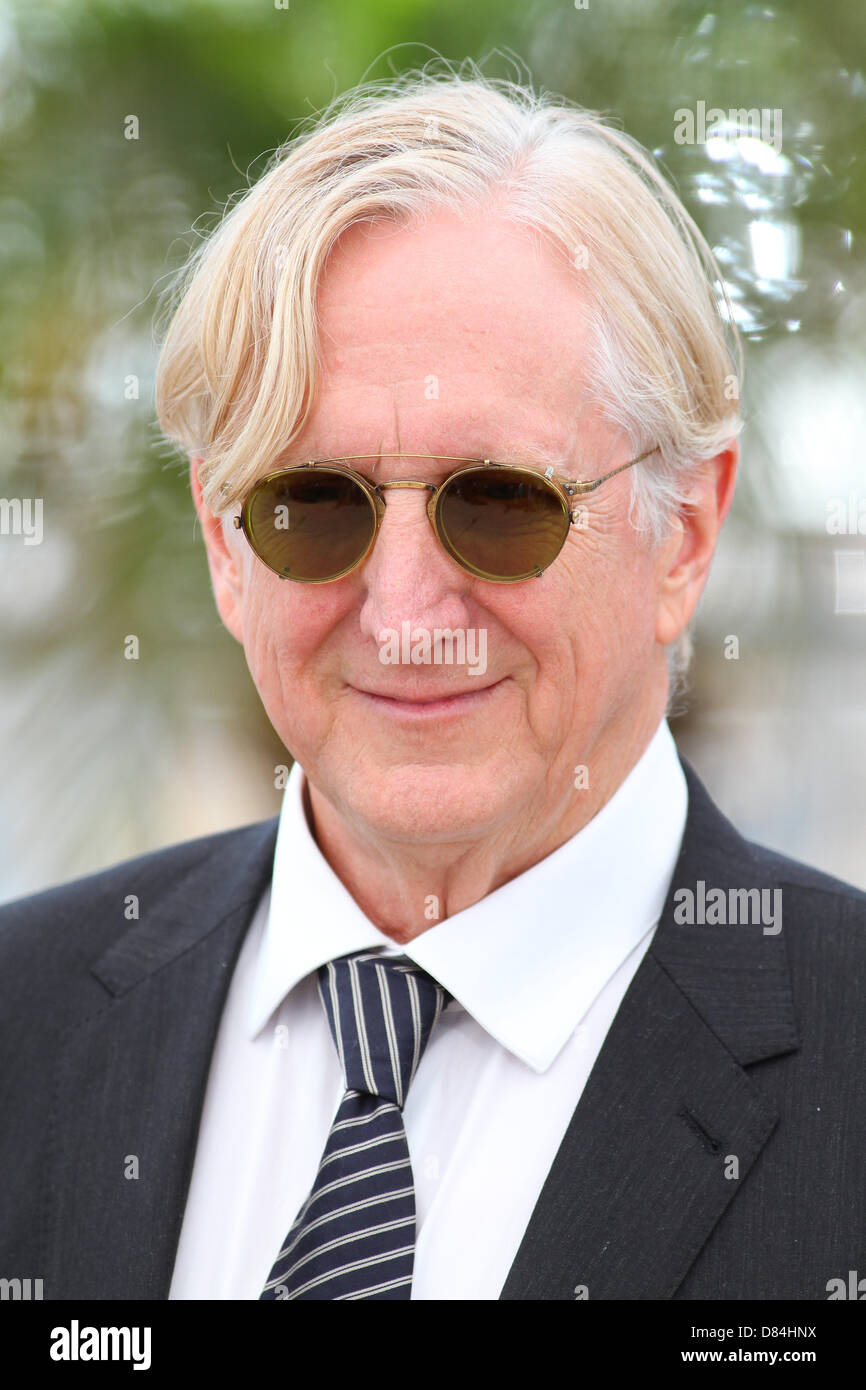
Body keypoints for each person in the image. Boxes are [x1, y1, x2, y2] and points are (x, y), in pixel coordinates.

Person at [1, 69, 864, 1303]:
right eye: (314, 509)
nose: (404, 612)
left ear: (683, 531)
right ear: (220, 546)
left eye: (501, 503)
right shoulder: (20, 1021)